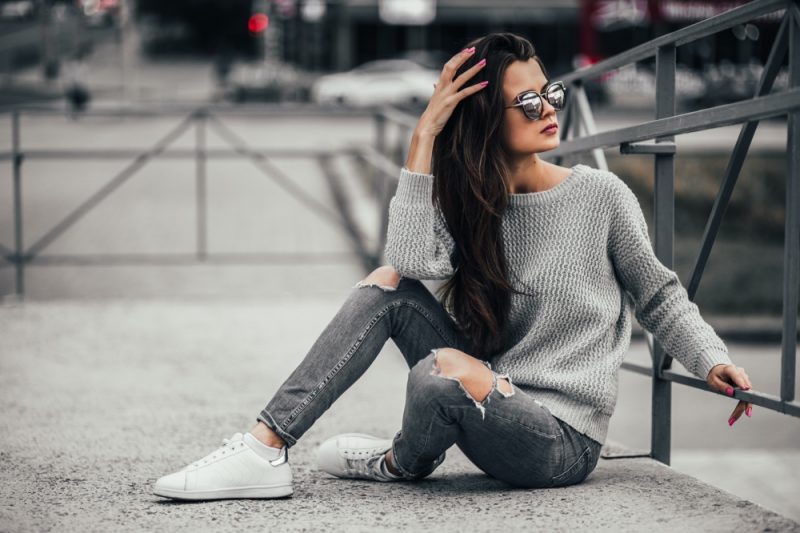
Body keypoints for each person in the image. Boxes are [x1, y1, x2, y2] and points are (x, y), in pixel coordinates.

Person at [153, 32, 754, 500]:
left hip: (560, 440)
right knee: (387, 289)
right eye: (526, 99)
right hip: (485, 390)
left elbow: (658, 294)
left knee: (437, 375)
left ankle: (398, 463)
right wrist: (424, 138)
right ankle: (264, 448)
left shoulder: (601, 196)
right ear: (485, 115)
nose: (548, 107)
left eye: (552, 92)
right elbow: (410, 265)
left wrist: (711, 358)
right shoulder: (472, 202)